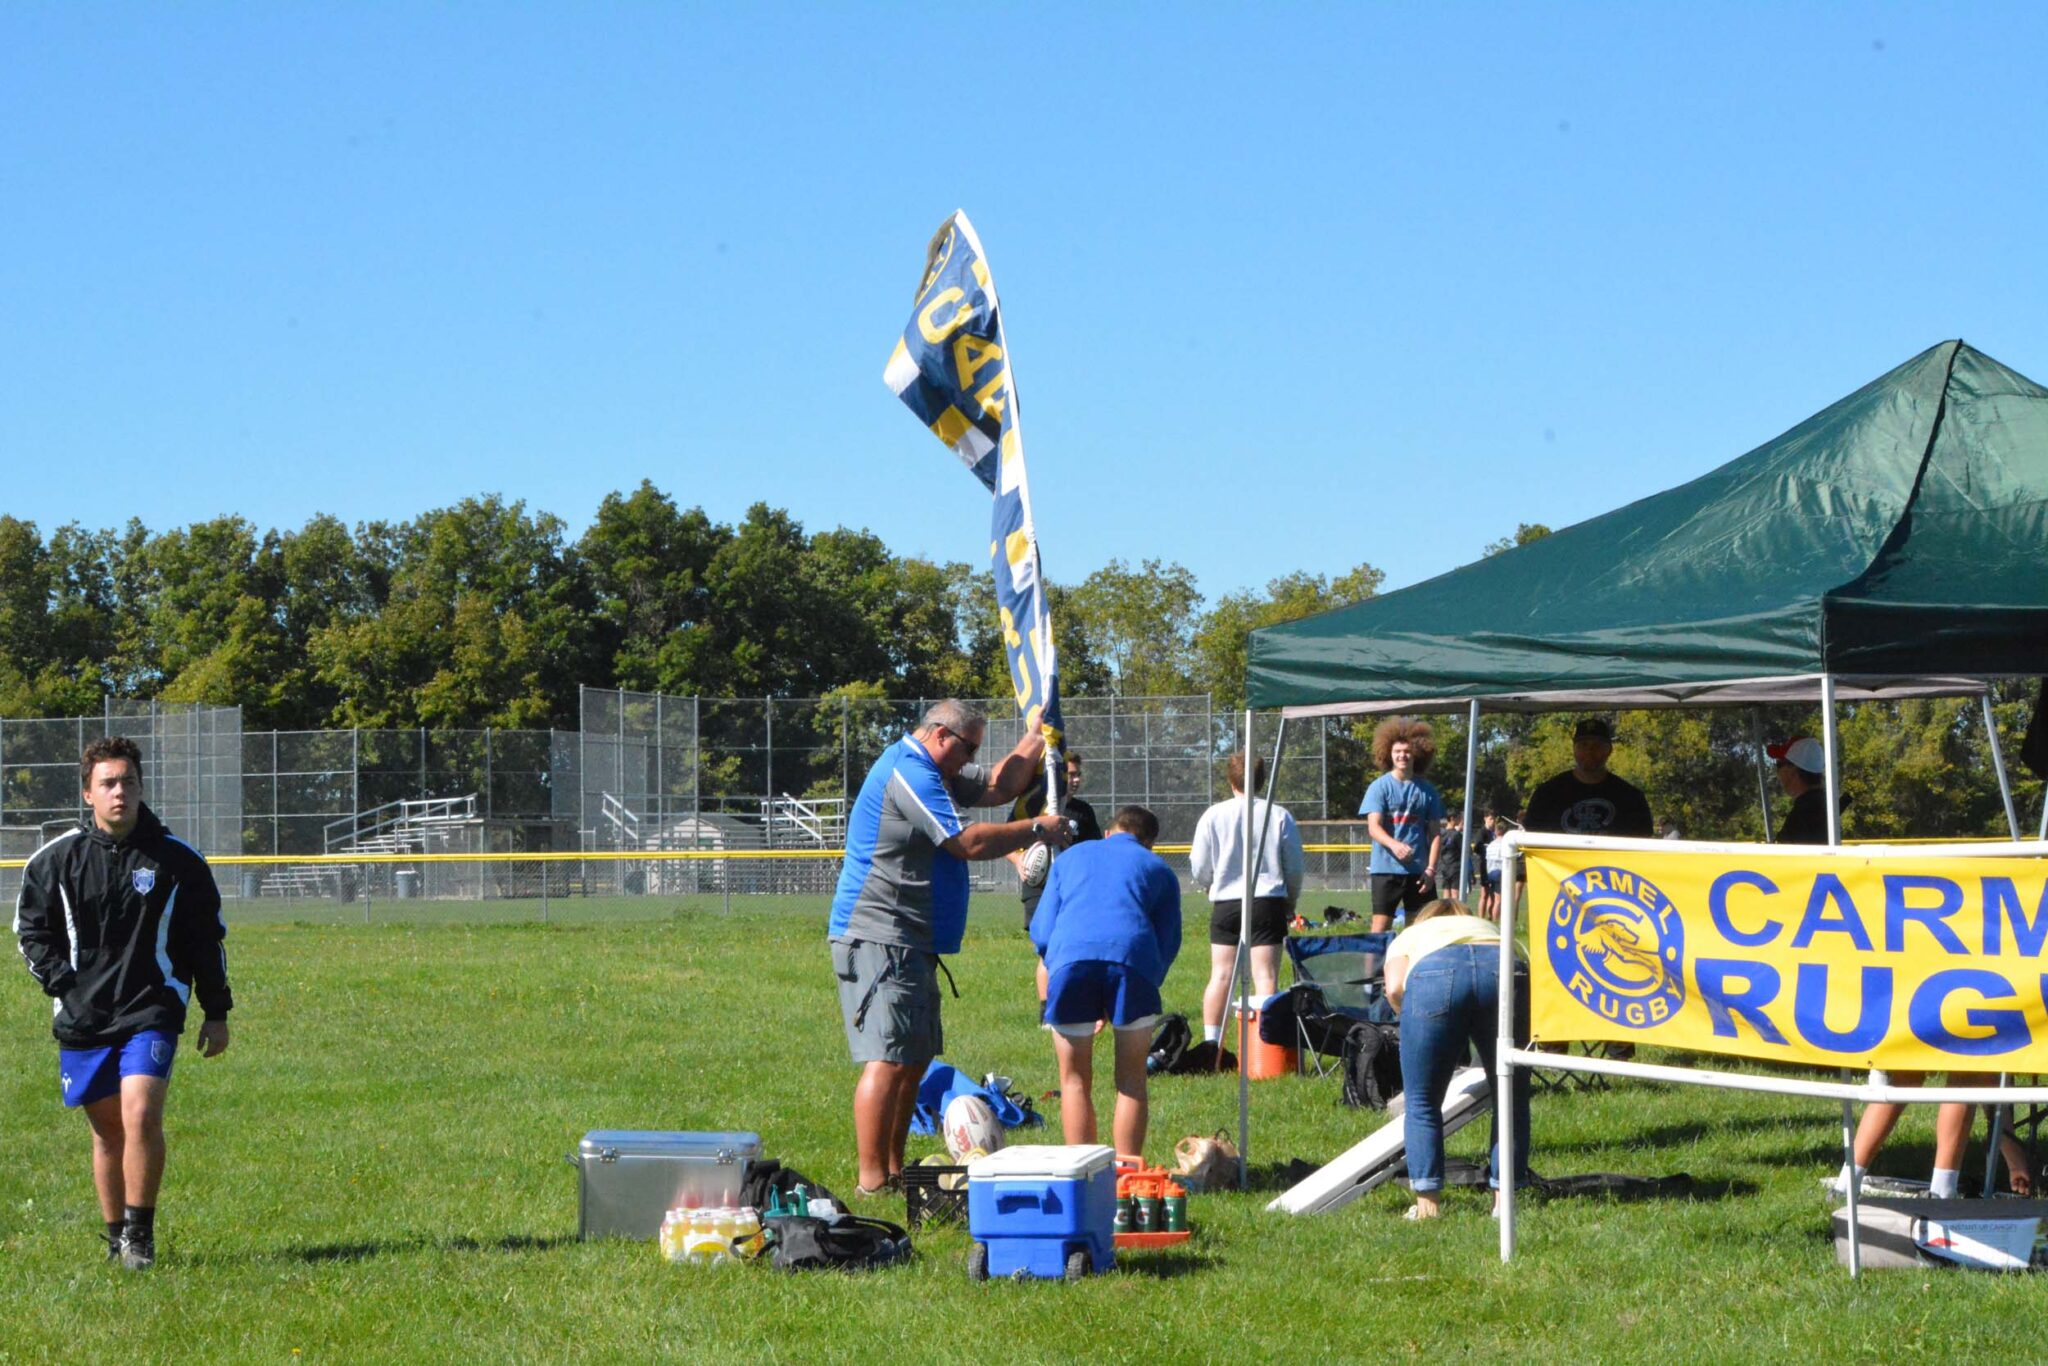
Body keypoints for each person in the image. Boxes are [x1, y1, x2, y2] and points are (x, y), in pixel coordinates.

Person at [828, 700, 1069, 1196]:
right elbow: (968, 843)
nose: (970, 761)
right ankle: (872, 1181)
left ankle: (894, 1170)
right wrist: (1037, 828)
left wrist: (1036, 736)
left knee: (914, 1056)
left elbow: (1002, 785)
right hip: (878, 934)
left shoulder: (937, 768)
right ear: (941, 735)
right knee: (888, 1057)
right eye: (968, 749)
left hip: (912, 938)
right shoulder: (910, 771)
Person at [13, 735, 234, 1270]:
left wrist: (216, 1010)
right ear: (88, 793)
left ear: (140, 788)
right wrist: (64, 986)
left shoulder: (177, 860)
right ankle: (115, 1240)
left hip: (151, 1008)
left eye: (128, 782)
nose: (120, 793)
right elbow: (30, 933)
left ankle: (141, 1238)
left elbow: (205, 939)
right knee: (108, 1131)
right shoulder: (54, 860)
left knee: (141, 1114)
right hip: (83, 1014)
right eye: (108, 783)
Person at [1029, 805, 1181, 1160]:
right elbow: (1168, 940)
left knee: (1074, 1080)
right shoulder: (1157, 868)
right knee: (1131, 1080)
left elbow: (1042, 930)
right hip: (1133, 963)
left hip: (1071, 962)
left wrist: (1061, 965)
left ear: (1109, 832)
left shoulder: (1070, 858)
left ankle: (1083, 1176)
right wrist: (1146, 978)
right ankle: (1127, 1176)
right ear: (1149, 844)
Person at [1384, 899, 1530, 1220]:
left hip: (1434, 974)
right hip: (1503, 966)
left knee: (1423, 1102)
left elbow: (1394, 987)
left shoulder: (1411, 934)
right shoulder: (1488, 927)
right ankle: (1504, 1204)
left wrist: (1412, 1020)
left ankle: (1428, 1207)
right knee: (1511, 1098)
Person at [1190, 752, 1304, 1048]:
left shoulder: (1213, 815)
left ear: (1230, 779)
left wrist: (1209, 885)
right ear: (1263, 780)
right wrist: (1289, 901)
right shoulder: (1278, 814)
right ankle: (1266, 1046)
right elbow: (1293, 866)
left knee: (1221, 975)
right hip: (1267, 900)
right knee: (1265, 975)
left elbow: (1200, 865)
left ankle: (1211, 1044)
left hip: (1227, 901)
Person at [1012, 749, 1105, 1012]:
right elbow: (1009, 842)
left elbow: (1092, 850)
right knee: (1048, 948)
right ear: (1057, 776)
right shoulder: (1034, 807)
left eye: (1078, 775)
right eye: (1070, 774)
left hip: (1074, 889)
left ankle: (1075, 1002)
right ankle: (1047, 1011)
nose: (1075, 780)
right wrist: (1019, 861)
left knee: (1074, 946)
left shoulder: (1082, 811)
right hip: (1039, 888)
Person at [1360, 719, 1445, 933]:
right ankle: (1374, 968)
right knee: (1379, 930)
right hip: (1386, 870)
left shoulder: (1428, 791)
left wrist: (1431, 870)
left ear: (1416, 754)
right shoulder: (1378, 787)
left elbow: (1435, 834)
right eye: (1397, 751)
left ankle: (1411, 967)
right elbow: (1374, 827)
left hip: (1419, 872)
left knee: (1418, 930)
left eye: (1407, 751)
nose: (1402, 756)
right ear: (1388, 753)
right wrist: (1394, 845)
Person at [1522, 717, 1653, 839]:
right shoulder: (1547, 794)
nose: (1589, 751)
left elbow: (1642, 842)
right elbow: (1532, 839)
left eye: (1597, 746)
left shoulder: (1631, 798)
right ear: (1574, 749)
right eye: (1583, 745)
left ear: (1609, 750)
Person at [1767, 736, 1835, 844]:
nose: (1777, 773)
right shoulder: (1828, 807)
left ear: (1793, 771)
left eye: (1779, 765)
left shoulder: (1802, 816)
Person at [1437, 813, 1465, 898]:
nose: (1460, 820)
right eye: (1458, 818)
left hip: (1444, 866)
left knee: (1446, 891)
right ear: (1452, 818)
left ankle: (1446, 910)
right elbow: (1465, 850)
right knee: (1455, 893)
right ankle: (1455, 911)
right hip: (1454, 867)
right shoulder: (1456, 835)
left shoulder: (1441, 833)